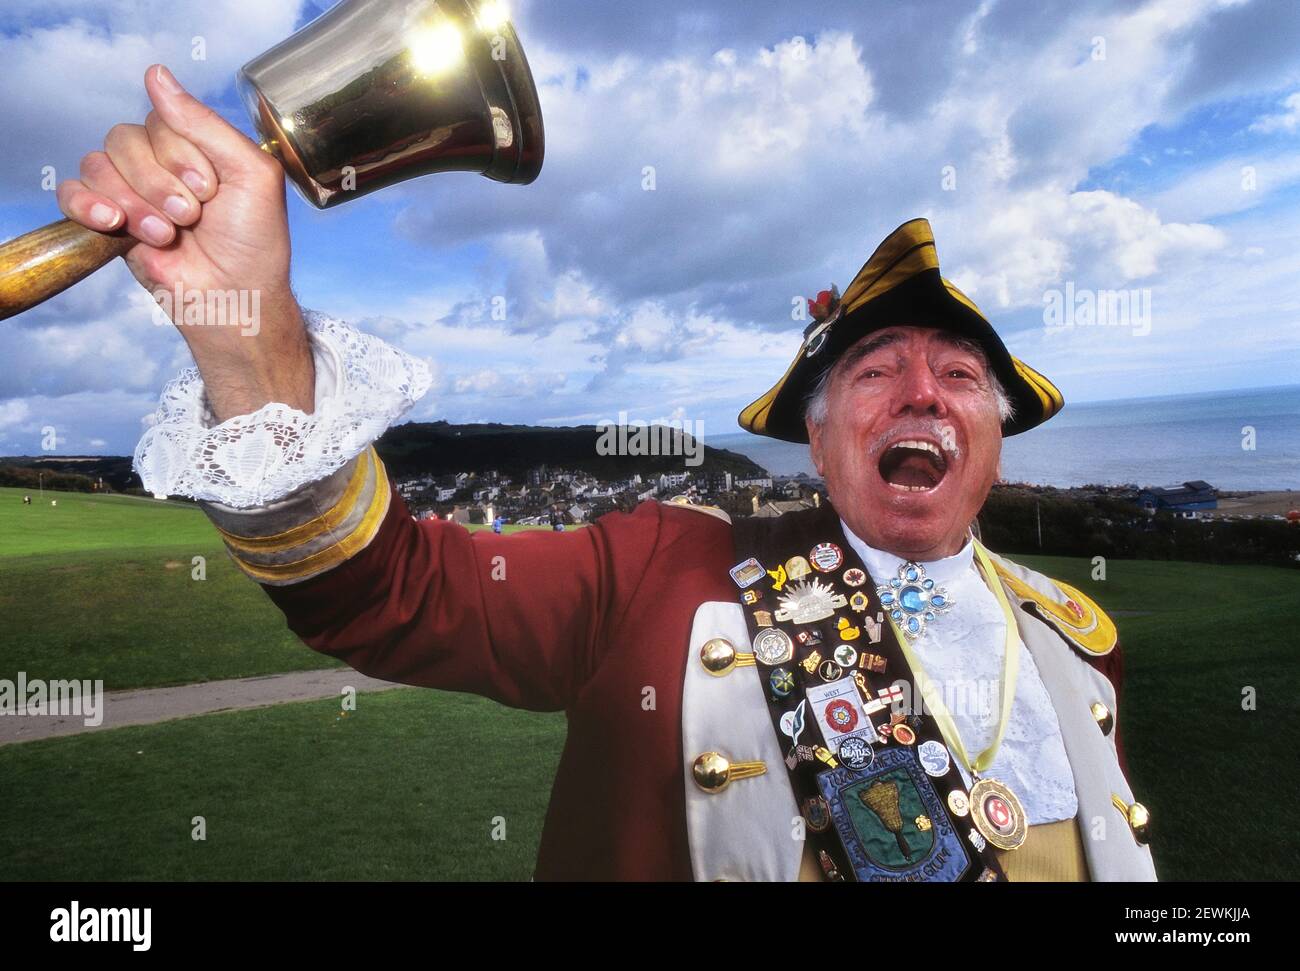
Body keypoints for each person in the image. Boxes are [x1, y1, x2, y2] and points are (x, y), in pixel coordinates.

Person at [57, 65, 1155, 882]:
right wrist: (251, 338)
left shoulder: (1073, 637)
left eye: (959, 372)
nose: (922, 390)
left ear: (996, 436)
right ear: (816, 441)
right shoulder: (661, 569)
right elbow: (385, 592)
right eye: (875, 370)